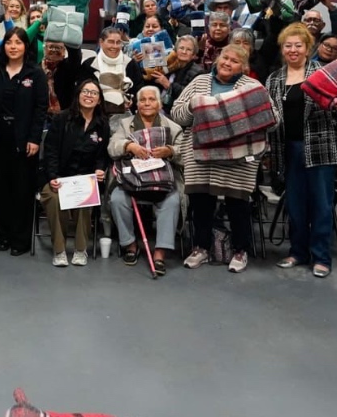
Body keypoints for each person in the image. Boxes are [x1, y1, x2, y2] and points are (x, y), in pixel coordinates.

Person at [171, 43, 266, 274]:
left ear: (243, 66)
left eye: (234, 61)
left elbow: (268, 116)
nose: (227, 63)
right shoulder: (199, 82)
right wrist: (194, 106)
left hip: (237, 158)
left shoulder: (252, 87)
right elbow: (176, 112)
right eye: (225, 58)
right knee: (201, 203)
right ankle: (201, 247)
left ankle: (241, 250)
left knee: (238, 205)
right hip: (200, 155)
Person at [266, 24, 337, 278]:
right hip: (287, 149)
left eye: (298, 45)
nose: (293, 50)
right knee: (296, 204)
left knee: (321, 205)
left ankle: (322, 257)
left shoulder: (324, 73)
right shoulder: (274, 79)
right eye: (288, 45)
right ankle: (298, 252)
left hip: (320, 148)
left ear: (308, 48)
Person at [0, 28, 47, 256]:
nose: (13, 46)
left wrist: (34, 138)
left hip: (25, 142)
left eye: (18, 42)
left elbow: (41, 109)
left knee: (23, 190)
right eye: (9, 42)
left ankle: (20, 239)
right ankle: (3, 235)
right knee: (1, 189)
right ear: (3, 46)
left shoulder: (35, 74)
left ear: (25, 47)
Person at [108, 86, 182, 276]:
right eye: (143, 100)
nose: (147, 103)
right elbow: (112, 147)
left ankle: (160, 252)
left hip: (163, 180)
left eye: (151, 99)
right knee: (117, 199)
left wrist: (170, 151)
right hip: (132, 179)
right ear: (136, 104)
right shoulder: (125, 124)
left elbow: (184, 153)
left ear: (159, 103)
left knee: (173, 200)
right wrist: (129, 145)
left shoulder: (173, 127)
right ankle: (130, 245)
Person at [39, 80, 108, 267]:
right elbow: (50, 151)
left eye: (94, 93)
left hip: (85, 180)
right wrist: (53, 177)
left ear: (99, 99)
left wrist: (100, 169)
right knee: (53, 198)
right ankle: (59, 250)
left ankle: (80, 249)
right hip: (58, 177)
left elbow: (102, 155)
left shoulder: (102, 124)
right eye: (85, 91)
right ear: (78, 95)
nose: (89, 95)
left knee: (87, 199)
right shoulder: (61, 119)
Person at [81, 26, 143, 115]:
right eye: (110, 42)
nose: (115, 46)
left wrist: (131, 101)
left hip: (125, 115)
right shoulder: (89, 65)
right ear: (101, 42)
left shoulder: (130, 64)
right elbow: (82, 90)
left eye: (118, 43)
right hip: (95, 114)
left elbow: (139, 89)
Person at [150, 34, 202, 108]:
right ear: (175, 51)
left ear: (193, 55)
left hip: (177, 112)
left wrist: (169, 86)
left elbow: (192, 97)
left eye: (188, 49)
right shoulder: (167, 64)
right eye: (181, 48)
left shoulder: (198, 72)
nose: (184, 52)